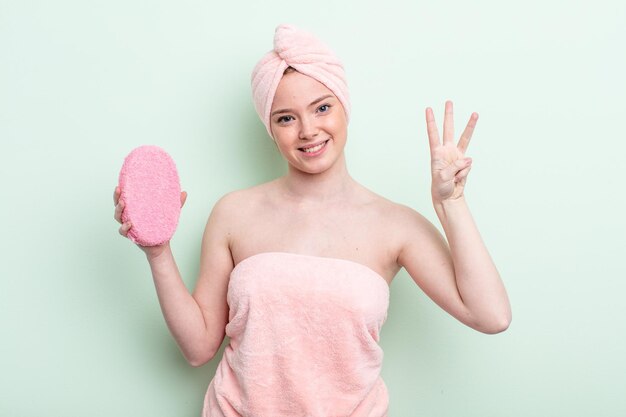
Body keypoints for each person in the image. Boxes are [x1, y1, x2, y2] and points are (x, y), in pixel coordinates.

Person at [113, 24, 511, 417]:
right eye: (286, 118)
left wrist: (452, 203)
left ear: (344, 106)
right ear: (270, 128)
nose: (308, 131)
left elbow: (491, 316)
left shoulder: (395, 225)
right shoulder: (233, 213)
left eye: (322, 107)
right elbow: (199, 348)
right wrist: (158, 251)